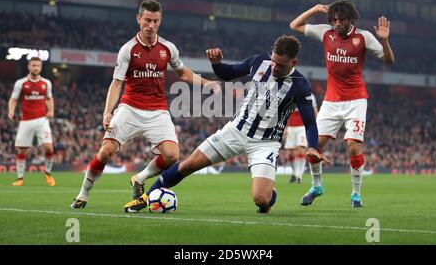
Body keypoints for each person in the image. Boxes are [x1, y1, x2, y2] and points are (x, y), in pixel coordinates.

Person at [123, 35, 330, 214]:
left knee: (261, 199)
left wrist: (312, 146)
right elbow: (227, 73)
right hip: (235, 131)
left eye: (281, 65)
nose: (274, 67)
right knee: (188, 165)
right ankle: (145, 198)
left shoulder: (300, 85)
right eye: (274, 61)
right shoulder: (259, 61)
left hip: (265, 144)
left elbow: (310, 123)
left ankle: (268, 195)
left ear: (294, 62)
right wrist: (216, 64)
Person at [70, 0, 220, 209]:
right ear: (139, 19)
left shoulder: (168, 48)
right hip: (130, 107)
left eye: (156, 21)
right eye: (147, 20)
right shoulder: (128, 49)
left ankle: (139, 178)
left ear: (160, 21)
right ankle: (83, 194)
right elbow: (116, 83)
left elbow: (182, 73)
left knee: (171, 155)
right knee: (105, 152)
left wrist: (206, 83)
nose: (151, 25)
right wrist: (107, 112)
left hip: (157, 109)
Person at [289, 0, 395, 208]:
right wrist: (315, 9)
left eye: (341, 20)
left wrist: (384, 41)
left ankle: (356, 194)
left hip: (356, 101)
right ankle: (317, 186)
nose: (337, 23)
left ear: (351, 19)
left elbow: (388, 60)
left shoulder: (364, 37)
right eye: (334, 19)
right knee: (314, 147)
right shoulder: (326, 33)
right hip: (331, 101)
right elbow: (294, 26)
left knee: (353, 148)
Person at [8, 57, 56, 186]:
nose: (36, 68)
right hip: (26, 120)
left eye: (38, 66)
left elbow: (49, 98)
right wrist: (11, 110)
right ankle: (20, 179)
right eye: (33, 65)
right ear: (29, 67)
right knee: (22, 150)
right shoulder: (21, 83)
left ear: (40, 68)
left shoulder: (46, 83)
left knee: (48, 147)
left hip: (42, 120)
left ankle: (47, 174)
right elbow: (13, 99)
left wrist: (51, 110)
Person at [283, 93, 318, 184]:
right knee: (291, 153)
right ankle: (294, 173)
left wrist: (316, 125)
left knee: (301, 149)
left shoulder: (310, 95)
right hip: (291, 127)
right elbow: (285, 112)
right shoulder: (289, 93)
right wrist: (285, 128)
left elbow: (315, 111)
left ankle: (299, 174)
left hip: (303, 126)